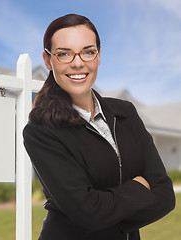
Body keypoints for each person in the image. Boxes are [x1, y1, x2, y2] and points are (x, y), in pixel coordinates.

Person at [23, 14, 175, 240]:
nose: (77, 62)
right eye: (64, 54)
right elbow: (88, 213)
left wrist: (104, 214)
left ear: (99, 55)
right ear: (48, 61)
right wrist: (140, 187)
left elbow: (165, 196)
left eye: (88, 51)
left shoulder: (126, 113)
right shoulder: (41, 131)